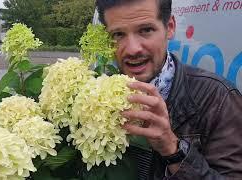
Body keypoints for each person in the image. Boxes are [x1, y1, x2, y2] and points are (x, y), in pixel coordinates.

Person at [95, 0, 242, 179]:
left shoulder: (219, 98)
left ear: (170, 27)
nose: (133, 49)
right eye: (118, 34)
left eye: (146, 30)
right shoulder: (96, 95)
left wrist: (172, 148)